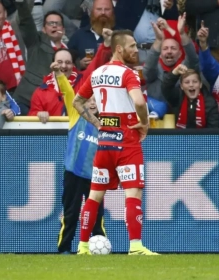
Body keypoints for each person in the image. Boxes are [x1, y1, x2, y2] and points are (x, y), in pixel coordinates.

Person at [73, 29, 156, 255]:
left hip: (105, 143)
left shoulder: (97, 73)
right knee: (133, 193)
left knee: (94, 196)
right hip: (127, 142)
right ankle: (136, 246)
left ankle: (82, 246)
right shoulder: (128, 74)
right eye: (132, 46)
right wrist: (144, 122)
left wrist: (97, 123)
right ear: (119, 48)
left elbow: (77, 102)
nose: (136, 50)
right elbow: (139, 101)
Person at [53, 28, 114, 254]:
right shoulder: (75, 114)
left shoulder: (106, 124)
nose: (92, 104)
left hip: (95, 176)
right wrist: (60, 75)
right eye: (89, 100)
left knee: (96, 214)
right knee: (70, 213)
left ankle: (99, 248)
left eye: (97, 102)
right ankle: (64, 249)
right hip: (72, 173)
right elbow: (69, 92)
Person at [162, 64, 219, 128]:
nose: (191, 85)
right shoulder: (177, 97)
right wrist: (174, 73)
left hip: (202, 137)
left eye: (195, 82)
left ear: (200, 85)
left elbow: (213, 130)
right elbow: (166, 88)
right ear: (181, 86)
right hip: (179, 137)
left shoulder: (210, 102)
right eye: (187, 82)